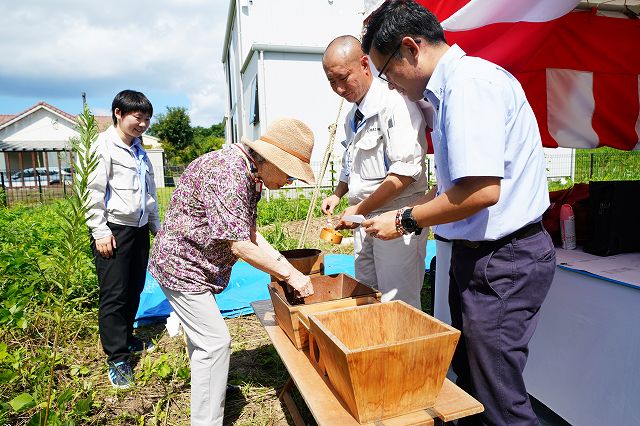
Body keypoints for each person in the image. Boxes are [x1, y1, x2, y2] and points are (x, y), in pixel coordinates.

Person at [361, 2, 556, 425]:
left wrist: (405, 219)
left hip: (505, 259)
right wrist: (413, 210)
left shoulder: (470, 84)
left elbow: (481, 191)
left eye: (387, 71)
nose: (391, 85)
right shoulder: (450, 92)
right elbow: (454, 187)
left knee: (499, 399)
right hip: (481, 258)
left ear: (410, 48)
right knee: (470, 382)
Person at [148, 118, 315, 426]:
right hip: (182, 266)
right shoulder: (228, 173)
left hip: (197, 263)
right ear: (274, 159)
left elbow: (249, 231)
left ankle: (211, 384)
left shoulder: (250, 173)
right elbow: (240, 245)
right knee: (215, 342)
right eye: (290, 174)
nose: (290, 182)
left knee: (204, 341)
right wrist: (290, 275)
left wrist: (285, 266)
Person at [320, 35, 429, 309]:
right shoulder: (351, 117)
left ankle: (404, 352)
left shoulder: (394, 103)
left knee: (397, 301)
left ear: (365, 65)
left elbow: (404, 174)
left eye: (344, 78)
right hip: (364, 220)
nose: (339, 89)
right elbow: (351, 162)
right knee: (367, 296)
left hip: (397, 219)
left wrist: (358, 210)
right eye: (332, 82)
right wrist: (338, 193)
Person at [85, 89, 161, 389]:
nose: (142, 124)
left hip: (139, 229)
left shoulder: (140, 149)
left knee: (134, 288)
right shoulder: (102, 146)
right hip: (113, 230)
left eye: (146, 119)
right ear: (118, 113)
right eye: (137, 118)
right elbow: (92, 192)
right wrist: (100, 231)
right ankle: (117, 357)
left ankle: (127, 337)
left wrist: (155, 226)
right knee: (114, 293)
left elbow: (150, 192)